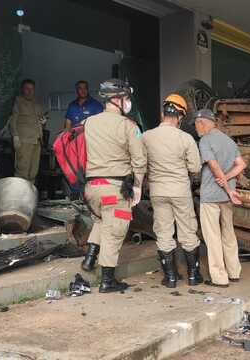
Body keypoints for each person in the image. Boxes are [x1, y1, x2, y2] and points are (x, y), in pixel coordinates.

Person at [80, 79, 147, 293]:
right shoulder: (129, 126)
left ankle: (89, 259)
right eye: (126, 98)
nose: (128, 103)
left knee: (101, 220)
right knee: (115, 231)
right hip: (115, 189)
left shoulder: (89, 122)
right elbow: (139, 160)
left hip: (92, 189)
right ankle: (107, 281)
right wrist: (137, 186)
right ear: (117, 100)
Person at [142, 94, 203, 288]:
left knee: (163, 231)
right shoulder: (186, 138)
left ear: (162, 113)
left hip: (157, 191)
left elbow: (140, 164)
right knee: (187, 230)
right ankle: (193, 276)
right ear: (181, 116)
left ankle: (170, 278)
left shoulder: (146, 136)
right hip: (180, 190)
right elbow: (195, 167)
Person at [194, 109, 246, 288]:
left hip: (211, 196)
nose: (196, 128)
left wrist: (224, 182)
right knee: (228, 233)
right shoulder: (229, 141)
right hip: (227, 196)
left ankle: (219, 277)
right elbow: (241, 165)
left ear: (202, 123)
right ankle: (234, 271)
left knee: (213, 236)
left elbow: (214, 166)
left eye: (196, 124)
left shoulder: (205, 140)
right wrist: (229, 181)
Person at [8, 79, 46, 181]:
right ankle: (21, 195)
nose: (29, 91)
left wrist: (43, 122)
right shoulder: (18, 101)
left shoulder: (37, 104)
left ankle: (29, 194)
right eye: (27, 88)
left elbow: (41, 119)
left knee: (34, 171)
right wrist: (15, 136)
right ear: (22, 89)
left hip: (37, 141)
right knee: (22, 170)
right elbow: (12, 120)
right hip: (24, 141)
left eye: (32, 89)